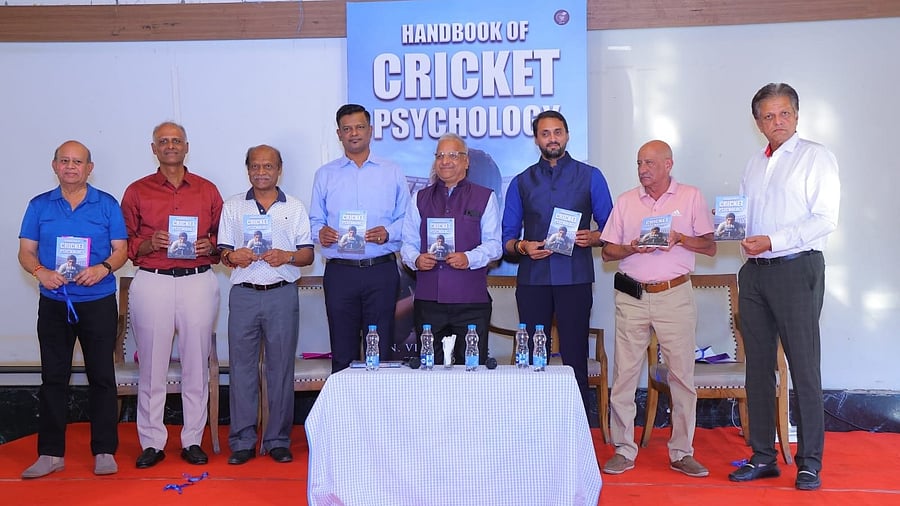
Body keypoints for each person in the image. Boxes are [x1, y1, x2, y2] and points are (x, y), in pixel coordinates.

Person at [727, 83, 840, 491]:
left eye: (784, 114)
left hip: (797, 268)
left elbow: (825, 218)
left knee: (803, 366)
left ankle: (810, 462)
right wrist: (730, 228)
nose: (777, 122)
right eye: (768, 116)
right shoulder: (754, 163)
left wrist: (773, 241)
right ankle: (762, 457)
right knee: (758, 367)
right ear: (757, 122)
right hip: (755, 273)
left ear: (796, 115)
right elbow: (741, 217)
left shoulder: (816, 157)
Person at [599, 140, 717, 478]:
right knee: (624, 374)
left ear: (668, 164)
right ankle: (623, 449)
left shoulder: (690, 197)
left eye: (649, 163)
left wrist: (681, 238)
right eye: (639, 163)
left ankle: (681, 452)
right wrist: (630, 248)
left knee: (681, 375)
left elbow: (710, 246)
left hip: (674, 295)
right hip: (632, 295)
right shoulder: (625, 202)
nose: (643, 170)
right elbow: (607, 253)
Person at [18, 140, 128, 478]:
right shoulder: (38, 205)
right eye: (64, 161)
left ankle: (105, 450)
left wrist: (103, 269)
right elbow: (26, 252)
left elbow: (121, 249)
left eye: (77, 161)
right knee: (53, 378)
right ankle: (51, 454)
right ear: (54, 166)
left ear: (89, 168)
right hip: (54, 304)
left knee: (102, 377)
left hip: (96, 302)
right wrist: (41, 272)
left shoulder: (107, 204)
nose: (70, 167)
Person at [120, 121, 223, 469]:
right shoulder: (136, 191)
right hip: (153, 279)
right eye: (163, 141)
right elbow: (124, 242)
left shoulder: (208, 190)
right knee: (152, 365)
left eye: (175, 140)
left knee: (196, 361)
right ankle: (152, 441)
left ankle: (192, 439)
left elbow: (221, 241)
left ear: (186, 146)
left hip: (198, 279)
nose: (170, 146)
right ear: (153, 149)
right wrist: (148, 244)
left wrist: (212, 246)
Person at [501, 110, 614, 417]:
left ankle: (577, 423)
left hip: (574, 278)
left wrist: (591, 237)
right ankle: (534, 419)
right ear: (536, 139)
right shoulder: (522, 182)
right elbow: (507, 240)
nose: (552, 138)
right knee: (533, 352)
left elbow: (613, 229)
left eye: (557, 132)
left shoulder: (591, 176)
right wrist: (524, 246)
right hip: (533, 280)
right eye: (545, 133)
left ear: (567, 135)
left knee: (575, 352)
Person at [217, 145, 314, 465]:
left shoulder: (295, 207)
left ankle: (277, 439)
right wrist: (232, 257)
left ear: (279, 169)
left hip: (281, 294)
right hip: (244, 294)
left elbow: (308, 255)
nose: (262, 172)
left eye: (268, 166)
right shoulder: (233, 206)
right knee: (241, 369)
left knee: (280, 368)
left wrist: (286, 256)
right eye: (255, 166)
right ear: (248, 170)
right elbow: (222, 252)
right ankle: (243, 440)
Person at [309, 104, 410, 372]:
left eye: (359, 127)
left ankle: (380, 413)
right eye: (347, 128)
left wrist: (389, 232)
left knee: (381, 349)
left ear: (370, 131)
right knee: (342, 351)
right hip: (341, 274)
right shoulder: (325, 174)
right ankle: (345, 414)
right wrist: (320, 233)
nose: (354, 133)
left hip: (381, 271)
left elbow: (408, 220)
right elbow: (314, 221)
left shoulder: (392, 171)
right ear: (339, 134)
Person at [401, 133, 502, 365]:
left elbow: (495, 245)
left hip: (471, 302)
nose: (445, 161)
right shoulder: (419, 198)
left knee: (471, 371)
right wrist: (415, 259)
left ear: (466, 162)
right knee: (430, 370)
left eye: (453, 155)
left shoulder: (484, 197)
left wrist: (469, 258)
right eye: (440, 156)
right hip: (428, 303)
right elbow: (407, 243)